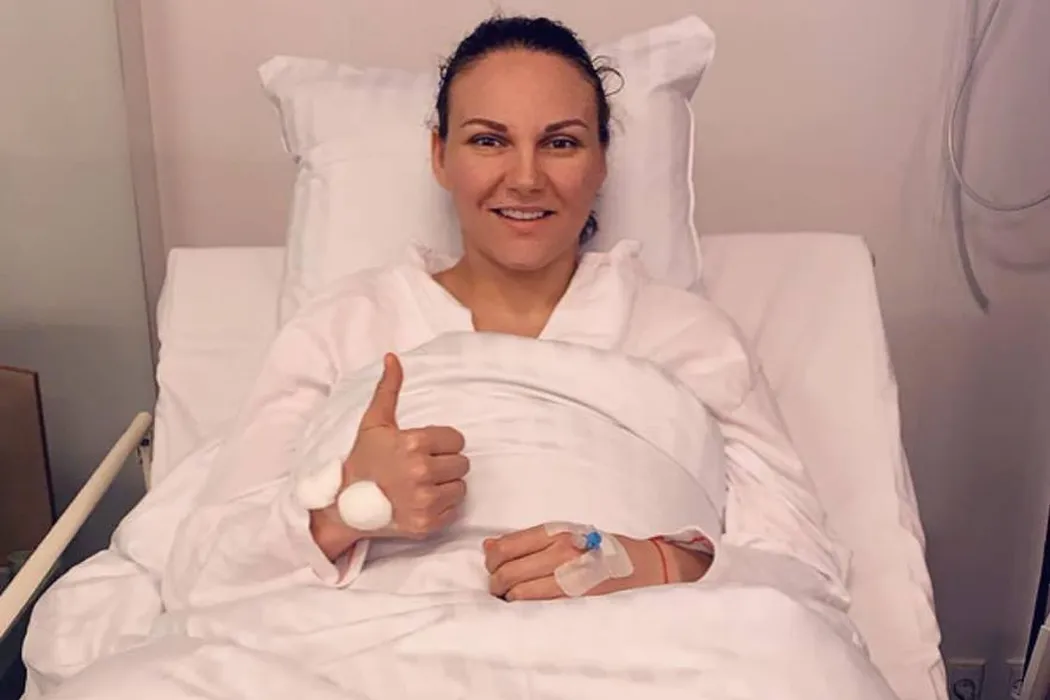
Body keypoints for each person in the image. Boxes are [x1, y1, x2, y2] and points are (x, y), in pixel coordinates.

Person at [26, 15, 892, 700]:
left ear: (601, 163)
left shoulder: (684, 333)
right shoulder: (350, 323)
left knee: (799, 660)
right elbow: (208, 566)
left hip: (637, 644)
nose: (526, 177)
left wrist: (652, 563)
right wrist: (346, 509)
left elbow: (804, 566)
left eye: (561, 141)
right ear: (439, 155)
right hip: (358, 647)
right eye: (488, 140)